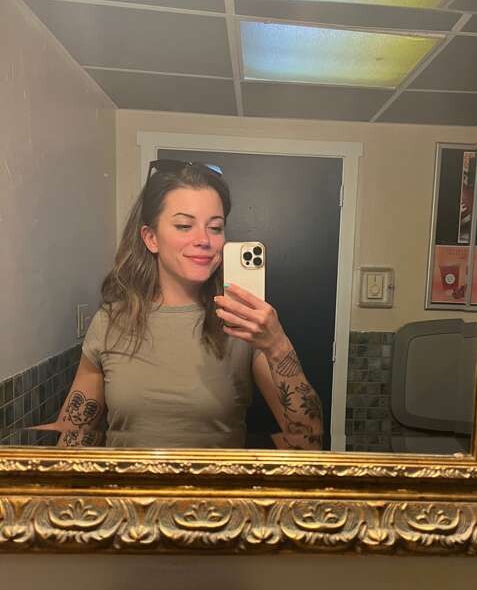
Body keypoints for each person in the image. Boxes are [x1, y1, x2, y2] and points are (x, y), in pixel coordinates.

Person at [45, 160, 323, 449]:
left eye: (215, 227)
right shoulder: (110, 321)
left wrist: (278, 346)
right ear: (151, 238)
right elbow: (73, 437)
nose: (204, 240)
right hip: (128, 481)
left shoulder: (244, 322)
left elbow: (309, 441)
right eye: (184, 226)